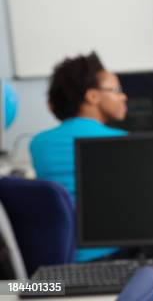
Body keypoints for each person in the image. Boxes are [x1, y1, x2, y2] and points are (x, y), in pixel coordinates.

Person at [30, 52, 127, 262]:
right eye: (116, 90)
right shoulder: (122, 141)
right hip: (111, 257)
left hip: (58, 256)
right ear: (92, 96)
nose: (123, 96)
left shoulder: (38, 144)